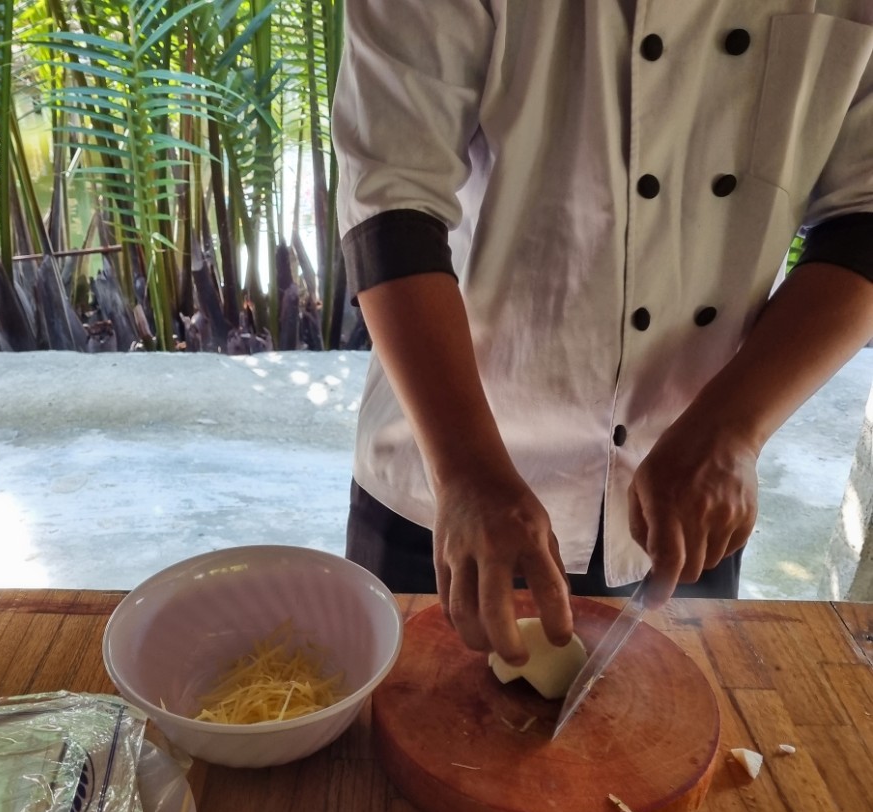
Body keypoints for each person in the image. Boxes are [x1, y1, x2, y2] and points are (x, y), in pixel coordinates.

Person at [331, 3, 873, 666]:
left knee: (669, 750)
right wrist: (467, 468)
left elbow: (864, 222)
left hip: (689, 488)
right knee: (405, 744)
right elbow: (391, 201)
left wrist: (731, 431)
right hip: (448, 471)